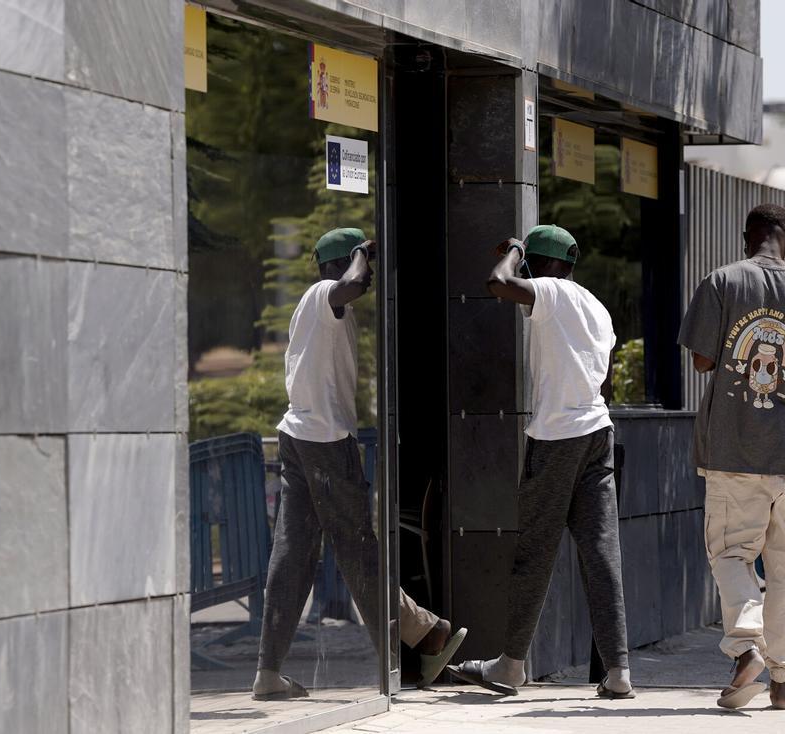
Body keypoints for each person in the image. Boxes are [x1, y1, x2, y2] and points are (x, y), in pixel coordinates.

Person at [252, 227, 466, 701]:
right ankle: (414, 647)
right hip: (326, 443)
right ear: (338, 263)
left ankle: (270, 671)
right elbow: (349, 284)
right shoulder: (323, 295)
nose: (369, 276)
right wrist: (359, 255)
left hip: (302, 438)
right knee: (359, 553)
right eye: (364, 263)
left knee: (294, 557)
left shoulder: (327, 306)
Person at [446, 225, 634, 699]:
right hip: (598, 434)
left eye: (530, 263)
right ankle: (618, 671)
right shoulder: (597, 307)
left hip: (557, 438)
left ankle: (510, 666)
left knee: (534, 553)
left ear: (541, 265)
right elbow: (604, 384)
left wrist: (512, 250)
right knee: (601, 554)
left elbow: (497, 283)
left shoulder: (552, 291)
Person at [678, 204, 785, 711]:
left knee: (730, 554)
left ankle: (745, 646)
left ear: (746, 236)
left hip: (732, 450)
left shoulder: (721, 281)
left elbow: (703, 360)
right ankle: (782, 685)